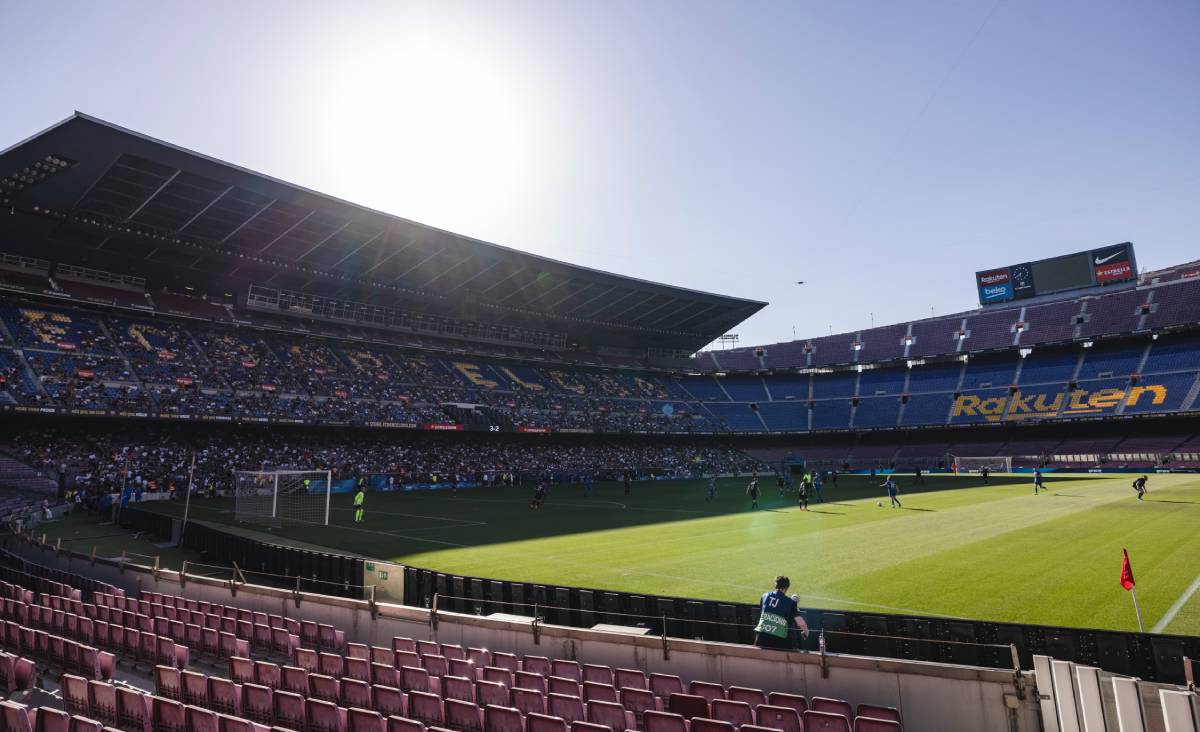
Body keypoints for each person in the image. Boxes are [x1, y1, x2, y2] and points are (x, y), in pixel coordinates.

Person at [753, 576, 809, 650]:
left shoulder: (764, 596)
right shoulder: (790, 602)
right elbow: (801, 623)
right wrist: (806, 632)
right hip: (780, 641)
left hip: (761, 638)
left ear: (775, 585)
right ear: (787, 588)